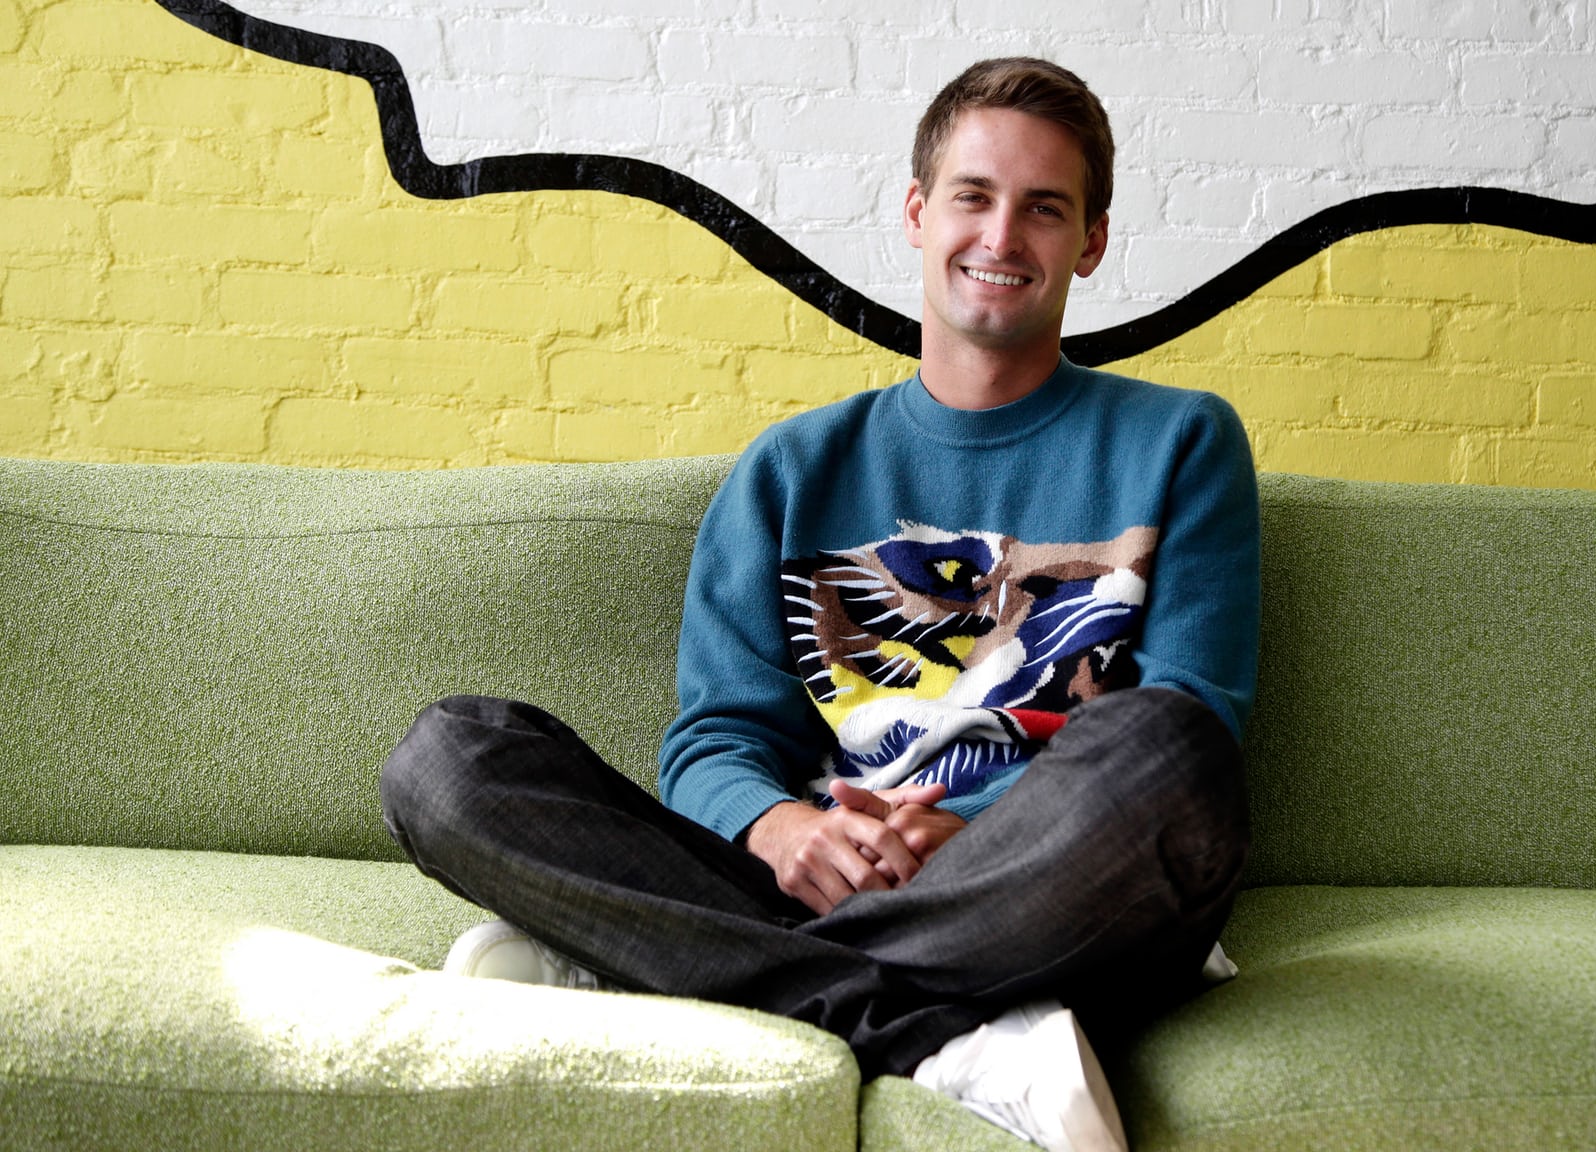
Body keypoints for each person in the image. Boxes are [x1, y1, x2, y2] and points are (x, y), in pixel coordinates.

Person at [378, 56, 1259, 1152]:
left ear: (1091, 241)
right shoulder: (791, 469)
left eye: (1045, 208)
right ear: (917, 213)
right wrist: (784, 828)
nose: (1001, 236)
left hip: (1048, 883)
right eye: (973, 196)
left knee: (1171, 747)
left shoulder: (1183, 441)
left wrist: (966, 833)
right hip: (813, 882)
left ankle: (657, 960)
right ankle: (941, 1034)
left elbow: (1193, 716)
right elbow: (716, 739)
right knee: (447, 761)